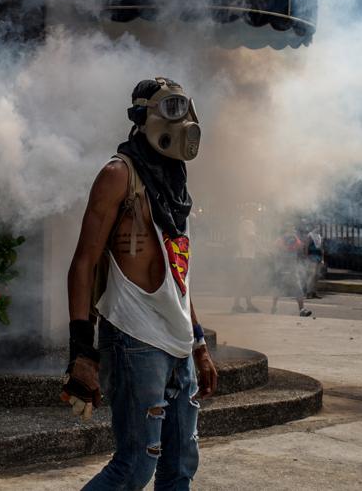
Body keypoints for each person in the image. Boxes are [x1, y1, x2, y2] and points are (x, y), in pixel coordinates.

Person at [63, 77, 218, 491]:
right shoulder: (119, 175)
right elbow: (83, 262)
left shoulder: (174, 183)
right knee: (135, 465)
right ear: (141, 117)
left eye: (185, 108)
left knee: (181, 463)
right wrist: (82, 352)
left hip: (177, 343)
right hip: (134, 339)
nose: (183, 121)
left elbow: (178, 272)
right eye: (171, 110)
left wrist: (199, 345)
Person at [270, 227, 313, 317]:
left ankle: (301, 310)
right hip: (283, 268)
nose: (293, 232)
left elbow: (301, 246)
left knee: (297, 289)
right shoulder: (282, 239)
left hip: (292, 269)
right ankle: (273, 307)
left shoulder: (292, 239)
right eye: (291, 230)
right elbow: (276, 251)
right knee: (279, 288)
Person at [231, 217, 261, 313]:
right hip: (244, 257)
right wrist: (263, 248)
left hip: (246, 257)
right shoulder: (248, 222)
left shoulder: (246, 223)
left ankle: (248, 304)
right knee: (242, 280)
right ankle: (237, 304)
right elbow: (251, 237)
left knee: (247, 281)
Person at [303, 224, 325, 300]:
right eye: (316, 226)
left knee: (317, 276)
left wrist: (322, 259)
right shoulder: (310, 236)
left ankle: (314, 292)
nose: (318, 228)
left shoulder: (319, 236)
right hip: (312, 257)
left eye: (319, 227)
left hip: (318, 257)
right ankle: (308, 293)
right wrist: (306, 258)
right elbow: (306, 247)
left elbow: (322, 249)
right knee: (311, 276)